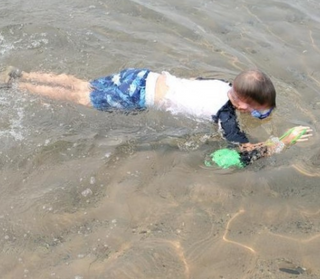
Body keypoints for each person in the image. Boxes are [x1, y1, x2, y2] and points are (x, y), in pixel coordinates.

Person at [0, 66, 312, 165]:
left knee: (85, 84)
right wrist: (282, 142)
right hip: (139, 95)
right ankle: (23, 88)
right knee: (82, 97)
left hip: (143, 76)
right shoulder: (225, 116)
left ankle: (21, 75)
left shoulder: (223, 86)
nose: (263, 114)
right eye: (261, 111)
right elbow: (243, 151)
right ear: (243, 106)